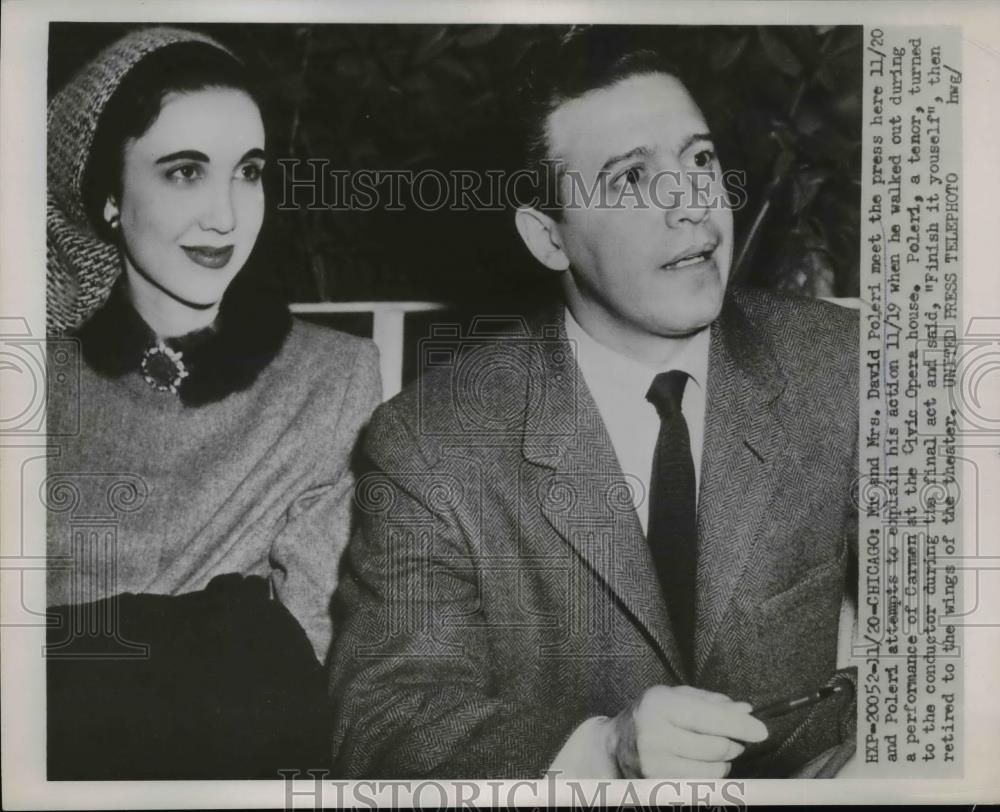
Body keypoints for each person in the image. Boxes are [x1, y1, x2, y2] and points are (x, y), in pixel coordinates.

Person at [329, 29, 858, 779]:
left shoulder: (841, 367)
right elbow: (383, 724)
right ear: (548, 239)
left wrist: (881, 748)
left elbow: (963, 630)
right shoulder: (430, 443)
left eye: (699, 160)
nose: (690, 206)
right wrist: (603, 753)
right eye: (632, 179)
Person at [45, 27, 381, 779]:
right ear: (105, 196)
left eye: (249, 171)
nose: (228, 217)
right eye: (185, 172)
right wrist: (225, 619)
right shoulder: (31, 385)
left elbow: (310, 668)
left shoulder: (331, 380)